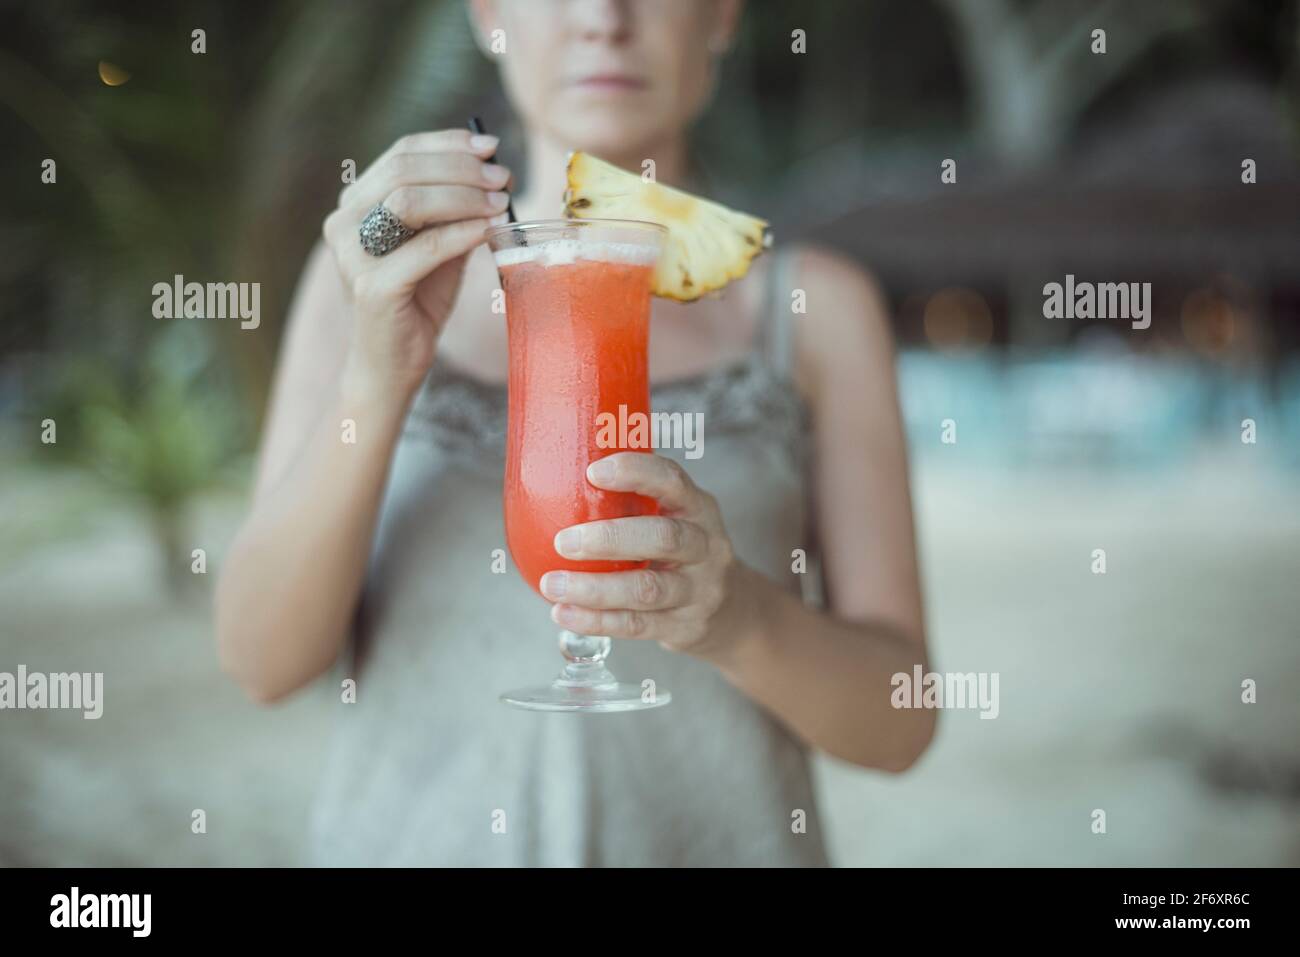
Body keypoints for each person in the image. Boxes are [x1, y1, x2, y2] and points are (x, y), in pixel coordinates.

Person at [215, 0, 934, 866]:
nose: (604, 16)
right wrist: (379, 372)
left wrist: (737, 618)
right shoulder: (373, 277)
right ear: (488, 16)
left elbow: (903, 720)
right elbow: (261, 665)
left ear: (721, 16)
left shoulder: (815, 310)